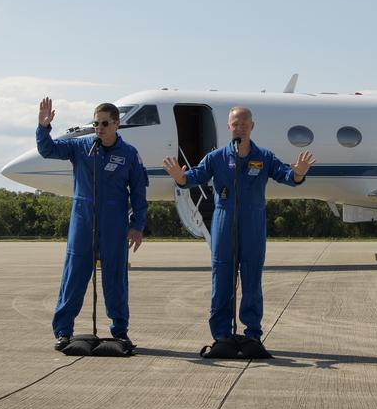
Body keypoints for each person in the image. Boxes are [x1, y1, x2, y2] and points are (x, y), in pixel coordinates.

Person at [163, 106, 314, 352]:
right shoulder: (217, 158)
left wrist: (298, 174)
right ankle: (222, 335)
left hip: (253, 221)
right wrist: (179, 177)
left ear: (252, 127)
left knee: (252, 279)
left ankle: (252, 334)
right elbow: (193, 178)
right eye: (235, 124)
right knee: (222, 277)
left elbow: (287, 176)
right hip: (224, 220)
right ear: (228, 127)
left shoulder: (264, 156)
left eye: (244, 124)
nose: (240, 128)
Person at [36, 97, 148, 350]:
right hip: (83, 223)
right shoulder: (81, 147)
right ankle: (63, 331)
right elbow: (48, 150)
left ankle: (120, 331)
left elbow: (139, 194)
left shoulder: (129, 154)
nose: (99, 127)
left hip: (115, 225)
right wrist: (43, 128)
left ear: (117, 124)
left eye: (105, 123)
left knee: (115, 280)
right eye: (96, 123)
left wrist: (137, 225)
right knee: (73, 277)